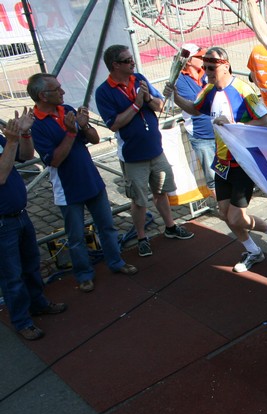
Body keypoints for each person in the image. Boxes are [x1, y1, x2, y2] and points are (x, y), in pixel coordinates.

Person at [166, 47, 267, 274]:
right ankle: (253, 250)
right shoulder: (209, 90)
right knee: (224, 214)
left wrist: (235, 126)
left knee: (235, 217)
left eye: (211, 68)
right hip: (222, 162)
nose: (207, 72)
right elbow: (195, 109)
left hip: (243, 162)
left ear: (225, 65)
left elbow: (265, 122)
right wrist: (175, 96)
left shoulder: (243, 90)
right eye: (205, 67)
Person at [28, 73, 138, 294]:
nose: (62, 92)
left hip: (91, 181)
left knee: (107, 227)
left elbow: (94, 139)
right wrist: (70, 132)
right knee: (76, 237)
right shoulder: (36, 125)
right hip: (67, 190)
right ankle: (84, 274)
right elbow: (54, 160)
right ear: (43, 96)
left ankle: (116, 261)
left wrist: (85, 126)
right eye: (57, 89)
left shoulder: (67, 109)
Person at [95, 44, 194, 258]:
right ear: (115, 65)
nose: (133, 62)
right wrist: (136, 104)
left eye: (132, 59)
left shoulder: (139, 78)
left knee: (161, 192)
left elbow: (161, 106)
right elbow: (114, 124)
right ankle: (141, 237)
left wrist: (148, 99)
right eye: (127, 60)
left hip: (155, 150)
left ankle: (170, 226)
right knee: (139, 200)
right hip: (133, 156)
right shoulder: (103, 92)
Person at [0, 108, 67, 340]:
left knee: (31, 265)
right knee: (12, 276)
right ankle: (22, 321)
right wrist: (11, 140)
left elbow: (26, 155)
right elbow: (1, 176)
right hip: (3, 223)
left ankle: (38, 303)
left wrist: (25, 134)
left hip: (19, 215)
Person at [174, 44, 215, 192]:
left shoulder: (207, 73)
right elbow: (196, 104)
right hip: (202, 135)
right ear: (189, 61)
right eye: (200, 57)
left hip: (219, 131)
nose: (204, 59)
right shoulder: (179, 80)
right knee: (213, 178)